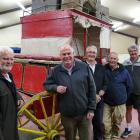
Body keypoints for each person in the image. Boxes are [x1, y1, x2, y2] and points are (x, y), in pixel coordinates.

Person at [44, 44, 96, 140]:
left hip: (84, 114)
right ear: (60, 56)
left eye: (69, 53)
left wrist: (91, 109)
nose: (67, 56)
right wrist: (56, 88)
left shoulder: (84, 67)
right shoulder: (56, 71)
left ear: (73, 54)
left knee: (86, 138)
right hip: (67, 116)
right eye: (64, 54)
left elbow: (92, 88)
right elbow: (46, 85)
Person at [103, 52, 133, 140]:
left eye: (114, 59)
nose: (112, 60)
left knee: (117, 123)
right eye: (111, 58)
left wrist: (123, 97)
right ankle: (107, 138)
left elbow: (130, 86)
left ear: (117, 60)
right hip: (106, 102)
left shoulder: (124, 71)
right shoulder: (103, 69)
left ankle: (115, 138)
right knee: (105, 123)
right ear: (108, 59)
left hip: (120, 103)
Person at [0, 47, 23, 140]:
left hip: (11, 124)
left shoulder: (8, 75)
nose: (9, 62)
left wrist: (18, 97)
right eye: (5, 58)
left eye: (11, 59)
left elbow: (10, 89)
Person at [85, 45, 107, 140]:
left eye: (93, 52)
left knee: (98, 124)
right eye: (89, 52)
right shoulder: (81, 66)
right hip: (85, 101)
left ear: (96, 54)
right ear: (86, 54)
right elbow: (79, 84)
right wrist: (93, 95)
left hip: (99, 101)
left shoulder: (101, 67)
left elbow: (105, 83)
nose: (91, 54)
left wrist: (101, 93)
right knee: (85, 125)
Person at [121, 45, 140, 138]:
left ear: (138, 51)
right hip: (128, 92)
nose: (133, 53)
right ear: (129, 52)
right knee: (128, 109)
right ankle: (128, 129)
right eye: (131, 51)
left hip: (139, 92)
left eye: (134, 51)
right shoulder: (125, 63)